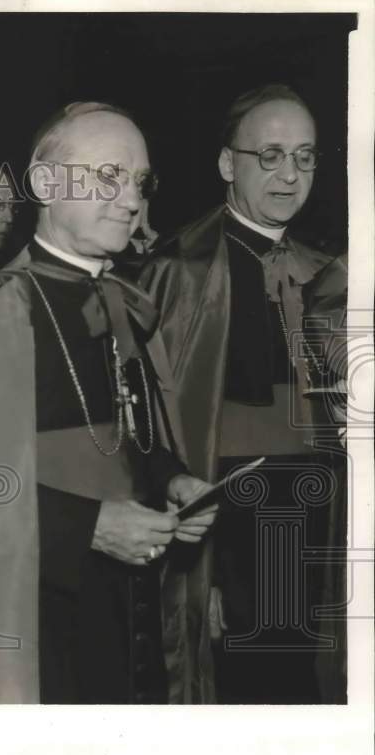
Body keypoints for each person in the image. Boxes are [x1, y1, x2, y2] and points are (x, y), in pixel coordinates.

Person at [0, 102, 218, 704]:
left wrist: (173, 479)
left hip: (130, 603)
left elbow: (134, 435)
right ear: (43, 183)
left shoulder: (124, 302)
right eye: (108, 176)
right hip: (35, 614)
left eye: (140, 181)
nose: (131, 199)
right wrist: (89, 527)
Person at [140, 84, 349, 703]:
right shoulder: (178, 270)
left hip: (321, 524)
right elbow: (154, 431)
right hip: (232, 530)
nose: (290, 175)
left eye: (305, 157)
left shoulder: (328, 268)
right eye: (271, 155)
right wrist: (199, 573)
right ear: (229, 164)